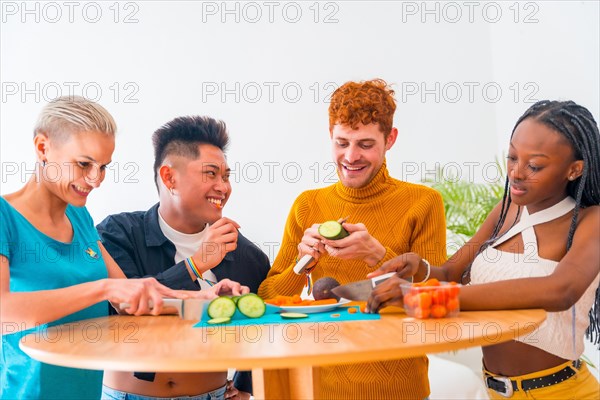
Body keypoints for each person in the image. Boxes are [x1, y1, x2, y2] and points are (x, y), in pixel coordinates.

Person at [0, 97, 246, 400]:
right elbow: (3, 312)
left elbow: (128, 297)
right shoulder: (5, 217)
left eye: (103, 167)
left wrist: (201, 297)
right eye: (83, 164)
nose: (95, 179)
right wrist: (102, 289)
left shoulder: (79, 217)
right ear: (42, 148)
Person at [368, 100, 600, 399]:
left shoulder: (590, 220)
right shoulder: (505, 211)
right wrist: (420, 269)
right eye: (512, 157)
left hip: (562, 392)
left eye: (534, 166)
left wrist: (426, 296)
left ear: (574, 169)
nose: (516, 173)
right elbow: (452, 273)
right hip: (494, 391)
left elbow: (560, 290)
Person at [258, 79, 447, 399]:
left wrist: (378, 255)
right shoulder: (308, 204)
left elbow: (437, 301)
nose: (351, 156)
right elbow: (267, 298)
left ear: (390, 140)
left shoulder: (423, 202)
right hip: (320, 386)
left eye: (365, 144)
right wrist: (301, 265)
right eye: (341, 142)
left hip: (398, 388)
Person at [97, 115, 270, 400]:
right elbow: (121, 307)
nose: (223, 187)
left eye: (226, 177)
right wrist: (195, 265)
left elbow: (260, 326)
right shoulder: (118, 233)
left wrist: (246, 386)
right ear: (169, 177)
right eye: (211, 174)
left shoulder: (247, 255)